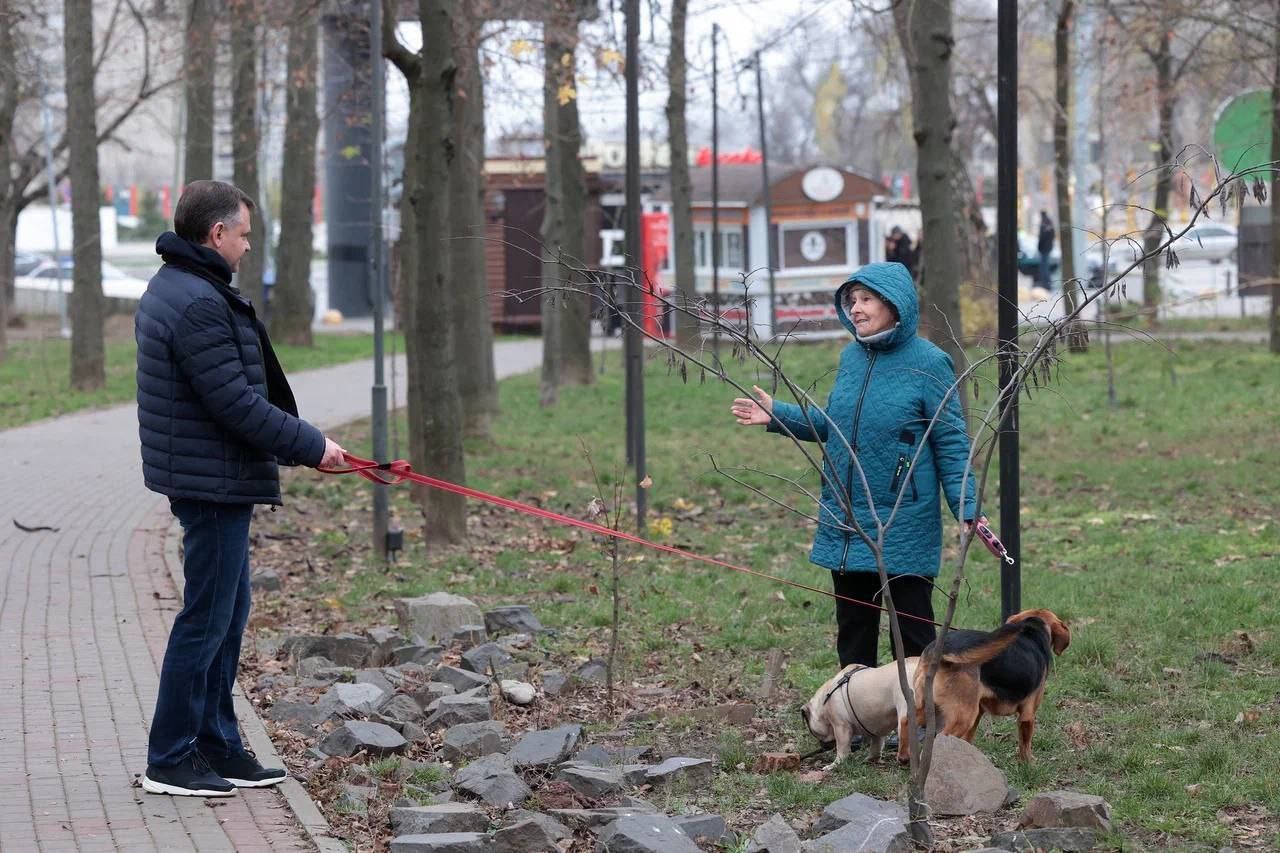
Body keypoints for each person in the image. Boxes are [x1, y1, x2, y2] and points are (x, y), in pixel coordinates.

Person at [135, 180, 345, 797]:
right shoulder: (197, 301)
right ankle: (169, 756)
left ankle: (217, 743)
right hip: (212, 482)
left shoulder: (184, 289)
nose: (249, 247)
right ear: (216, 233)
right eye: (245, 234)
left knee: (227, 617)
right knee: (206, 619)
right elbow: (234, 402)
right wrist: (313, 446)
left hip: (213, 476)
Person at [729, 261, 979, 672]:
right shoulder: (851, 357)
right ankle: (857, 723)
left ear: (894, 305)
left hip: (902, 519)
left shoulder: (930, 363)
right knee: (853, 631)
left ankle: (917, 724)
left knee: (913, 634)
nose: (856, 309)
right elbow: (835, 427)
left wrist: (967, 508)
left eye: (866, 300)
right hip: (847, 516)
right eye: (852, 300)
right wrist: (776, 414)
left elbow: (951, 442)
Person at [1037, 210, 1055, 288]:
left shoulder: (1044, 223)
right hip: (1047, 247)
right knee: (1044, 267)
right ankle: (1047, 284)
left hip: (1044, 248)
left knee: (1044, 267)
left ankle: (1046, 285)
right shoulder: (1049, 223)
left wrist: (1039, 247)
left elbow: (1042, 237)